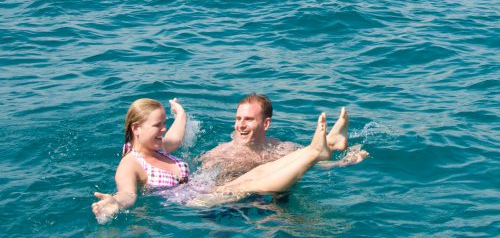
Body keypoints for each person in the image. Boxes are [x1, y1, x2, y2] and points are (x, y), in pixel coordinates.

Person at [92, 98, 334, 221]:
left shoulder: (157, 146)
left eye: (164, 124)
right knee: (250, 183)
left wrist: (180, 112)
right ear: (137, 129)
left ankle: (320, 149)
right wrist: (115, 202)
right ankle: (313, 154)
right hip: (191, 203)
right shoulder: (131, 163)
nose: (164, 130)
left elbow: (176, 133)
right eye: (158, 125)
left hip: (204, 187)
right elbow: (128, 194)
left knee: (261, 171)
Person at [199, 94, 367, 179]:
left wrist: (343, 162)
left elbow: (315, 164)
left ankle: (332, 143)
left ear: (266, 124)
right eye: (238, 119)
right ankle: (331, 141)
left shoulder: (281, 148)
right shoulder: (220, 153)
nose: (240, 125)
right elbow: (202, 181)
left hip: (272, 196)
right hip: (234, 201)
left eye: (249, 119)